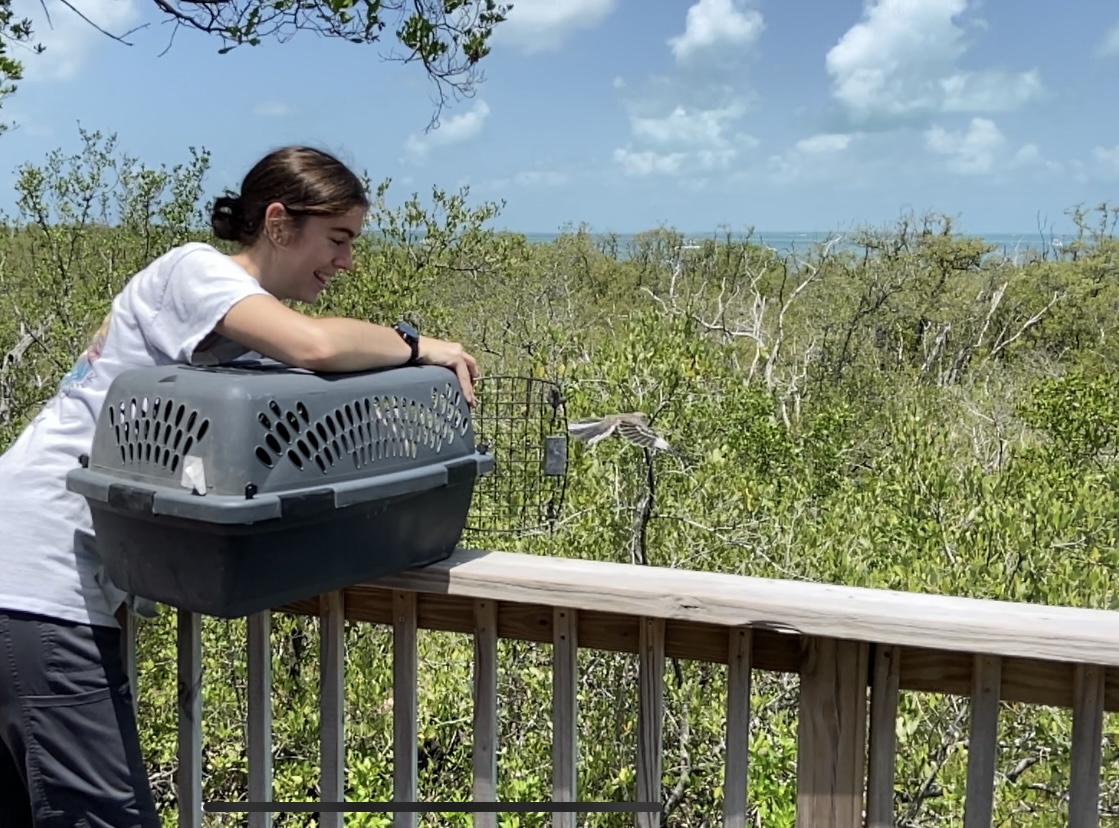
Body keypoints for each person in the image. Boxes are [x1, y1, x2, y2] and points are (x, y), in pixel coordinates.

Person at [0, 145, 479, 827]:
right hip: (36, 577)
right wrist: (416, 344)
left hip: (42, 578)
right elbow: (313, 347)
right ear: (278, 221)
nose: (346, 261)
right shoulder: (193, 271)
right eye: (337, 238)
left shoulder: (236, 338)